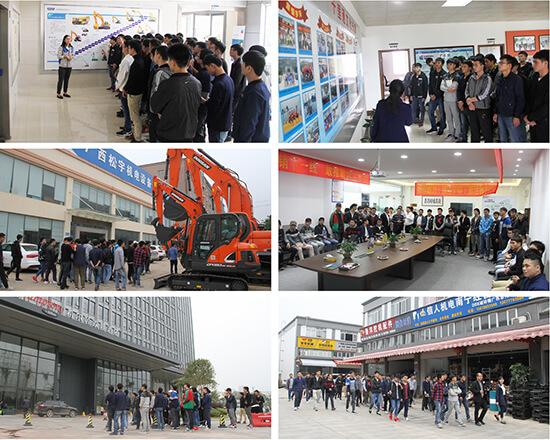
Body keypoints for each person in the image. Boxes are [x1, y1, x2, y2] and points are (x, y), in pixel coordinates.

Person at [151, 44, 202, 142]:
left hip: (169, 134)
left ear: (172, 62)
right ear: (189, 63)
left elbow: (155, 106)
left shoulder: (168, 84)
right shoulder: (196, 83)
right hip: (189, 133)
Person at [233, 50, 270, 142]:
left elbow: (249, 124)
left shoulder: (255, 92)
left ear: (249, 68)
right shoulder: (260, 86)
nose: (241, 65)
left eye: (243, 63)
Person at [493, 54, 525, 142]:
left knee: (515, 139)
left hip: (511, 115)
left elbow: (520, 99)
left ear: (509, 65)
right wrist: (496, 112)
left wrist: (516, 116)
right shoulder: (500, 78)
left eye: (502, 63)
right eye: (499, 62)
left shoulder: (516, 79)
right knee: (503, 139)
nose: (499, 65)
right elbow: (497, 96)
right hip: (500, 114)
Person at [203, 54, 234, 142]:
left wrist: (205, 102)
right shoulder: (229, 79)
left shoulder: (219, 84)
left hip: (217, 124)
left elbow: (214, 106)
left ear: (213, 66)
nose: (208, 72)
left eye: (207, 69)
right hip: (225, 121)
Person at [466, 55, 493, 142]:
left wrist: (471, 100)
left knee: (486, 131)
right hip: (472, 108)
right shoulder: (471, 77)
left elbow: (485, 93)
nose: (474, 67)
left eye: (476, 65)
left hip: (483, 108)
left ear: (482, 66)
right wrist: (469, 101)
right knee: (474, 131)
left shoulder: (487, 78)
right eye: (473, 65)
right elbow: (467, 90)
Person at [149, 46, 173, 142]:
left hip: (157, 112)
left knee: (155, 135)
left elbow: (157, 93)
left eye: (154, 54)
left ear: (158, 55)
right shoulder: (171, 70)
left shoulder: (160, 73)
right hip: (167, 111)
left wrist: (158, 109)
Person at [524, 50, 549, 142]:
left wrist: (530, 117)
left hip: (545, 123)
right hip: (533, 123)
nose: (533, 65)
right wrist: (527, 116)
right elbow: (529, 98)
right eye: (533, 62)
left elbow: (547, 106)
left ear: (545, 63)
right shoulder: (534, 79)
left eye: (536, 62)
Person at [440, 58, 461, 142]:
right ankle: (451, 132)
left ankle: (457, 134)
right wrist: (448, 89)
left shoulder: (456, 76)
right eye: (447, 64)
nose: (448, 66)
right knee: (448, 118)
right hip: (446, 99)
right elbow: (441, 87)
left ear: (454, 65)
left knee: (456, 118)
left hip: (454, 99)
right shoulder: (445, 75)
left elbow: (454, 88)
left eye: (450, 64)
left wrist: (447, 88)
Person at [427, 57, 447, 136]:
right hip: (432, 97)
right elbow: (430, 84)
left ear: (442, 64)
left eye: (439, 63)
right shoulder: (432, 73)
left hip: (441, 97)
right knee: (430, 112)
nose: (437, 64)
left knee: (442, 113)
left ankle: (441, 128)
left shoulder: (444, 74)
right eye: (436, 63)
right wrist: (431, 94)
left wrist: (436, 95)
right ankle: (433, 127)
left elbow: (444, 87)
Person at [457, 59, 473, 142]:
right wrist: (460, 101)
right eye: (462, 66)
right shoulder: (461, 78)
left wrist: (463, 101)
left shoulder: (472, 78)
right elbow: (459, 90)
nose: (462, 68)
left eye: (465, 67)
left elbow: (470, 92)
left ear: (470, 68)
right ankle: (464, 138)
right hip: (461, 103)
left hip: (469, 103)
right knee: (463, 122)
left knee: (472, 123)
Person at [56, 35, 74, 99]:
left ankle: (65, 92)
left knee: (67, 80)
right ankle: (58, 93)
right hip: (62, 66)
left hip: (69, 66)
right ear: (64, 40)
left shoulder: (71, 47)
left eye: (69, 39)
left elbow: (73, 54)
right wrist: (65, 56)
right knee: (61, 80)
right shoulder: (61, 47)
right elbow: (58, 56)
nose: (69, 40)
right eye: (67, 39)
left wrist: (71, 57)